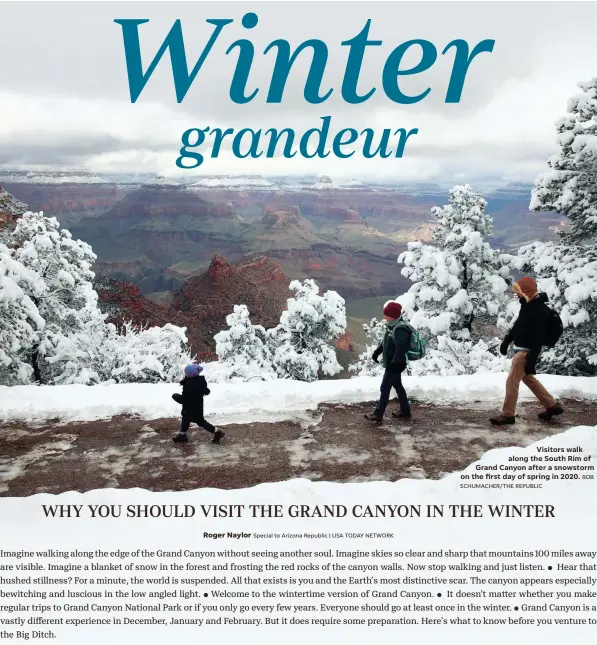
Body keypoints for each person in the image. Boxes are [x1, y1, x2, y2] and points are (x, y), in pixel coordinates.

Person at [490, 276, 564, 425]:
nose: (517, 295)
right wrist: (506, 341)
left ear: (527, 292)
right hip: (522, 350)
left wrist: (531, 361)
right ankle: (552, 406)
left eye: (519, 291)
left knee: (511, 381)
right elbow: (518, 326)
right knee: (527, 378)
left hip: (526, 352)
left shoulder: (540, 311)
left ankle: (508, 414)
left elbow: (538, 339)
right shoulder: (527, 306)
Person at [365, 301, 412, 424]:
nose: (384, 317)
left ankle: (378, 414)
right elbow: (386, 343)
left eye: (387, 315)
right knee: (398, 386)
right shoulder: (392, 326)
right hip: (394, 363)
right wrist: (377, 352)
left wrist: (394, 365)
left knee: (384, 387)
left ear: (394, 316)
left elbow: (401, 348)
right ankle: (405, 410)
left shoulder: (400, 328)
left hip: (395, 364)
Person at [172, 364, 225, 443]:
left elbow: (185, 399)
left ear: (191, 375)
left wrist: (175, 396)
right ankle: (182, 435)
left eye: (186, 373)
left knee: (200, 422)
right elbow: (207, 391)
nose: (185, 374)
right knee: (186, 419)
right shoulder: (199, 381)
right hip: (197, 406)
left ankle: (217, 432)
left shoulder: (190, 386)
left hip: (191, 407)